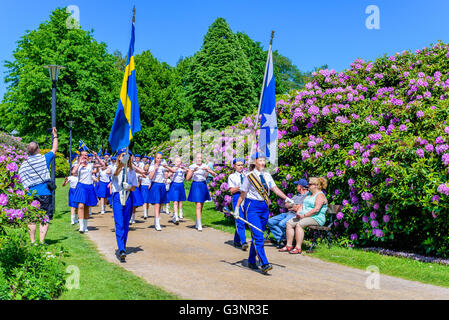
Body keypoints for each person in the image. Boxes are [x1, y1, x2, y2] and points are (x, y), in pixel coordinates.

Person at [233, 153, 294, 274]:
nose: (262, 163)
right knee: (259, 235)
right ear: (255, 162)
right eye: (260, 160)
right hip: (252, 207)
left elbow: (275, 189)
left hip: (264, 207)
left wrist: (286, 198)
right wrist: (237, 207)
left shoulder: (267, 175)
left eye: (263, 161)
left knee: (257, 235)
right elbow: (243, 193)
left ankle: (251, 260)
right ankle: (264, 263)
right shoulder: (249, 176)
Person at [18, 127, 58, 245]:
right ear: (38, 149)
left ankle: (32, 241)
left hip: (31, 193)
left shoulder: (24, 164)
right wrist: (54, 135)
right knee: (45, 217)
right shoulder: (43, 159)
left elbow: (21, 177)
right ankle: (41, 241)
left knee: (31, 218)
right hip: (45, 192)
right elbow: (54, 148)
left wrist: (27, 186)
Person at [280, 177, 328, 255]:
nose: (307, 186)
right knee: (289, 223)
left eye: (309, 184)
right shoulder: (309, 194)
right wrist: (298, 213)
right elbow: (302, 205)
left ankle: (298, 247)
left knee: (299, 224)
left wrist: (304, 215)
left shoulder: (320, 195)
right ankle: (289, 245)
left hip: (316, 217)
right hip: (304, 216)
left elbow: (316, 210)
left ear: (316, 185)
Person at [110, 149, 138, 262]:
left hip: (128, 196)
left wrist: (129, 186)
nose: (126, 157)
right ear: (119, 157)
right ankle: (121, 249)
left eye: (128, 156)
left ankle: (123, 247)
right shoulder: (115, 167)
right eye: (123, 155)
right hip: (117, 196)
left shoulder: (132, 171)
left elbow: (134, 187)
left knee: (126, 224)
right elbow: (115, 173)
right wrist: (122, 164)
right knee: (119, 223)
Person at [267, 179, 310, 248]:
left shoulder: (307, 196)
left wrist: (293, 206)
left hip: (296, 215)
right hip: (288, 213)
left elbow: (299, 208)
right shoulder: (296, 195)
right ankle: (282, 239)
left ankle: (284, 241)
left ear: (301, 187)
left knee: (282, 224)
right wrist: (293, 206)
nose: (296, 186)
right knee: (270, 221)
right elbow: (286, 204)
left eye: (297, 185)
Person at [71, 150, 105, 233]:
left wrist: (96, 156)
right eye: (82, 155)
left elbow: (103, 165)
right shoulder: (77, 165)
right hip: (81, 186)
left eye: (86, 155)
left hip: (89, 186)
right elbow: (73, 172)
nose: (84, 156)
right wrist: (80, 163)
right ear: (79, 157)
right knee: (81, 206)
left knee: (87, 206)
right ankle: (81, 226)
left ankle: (85, 226)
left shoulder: (90, 165)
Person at [186, 153, 218, 231]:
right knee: (198, 205)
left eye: (200, 158)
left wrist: (208, 170)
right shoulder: (192, 166)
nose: (199, 159)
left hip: (203, 185)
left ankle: (197, 221)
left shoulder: (205, 165)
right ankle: (199, 224)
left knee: (201, 205)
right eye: (198, 158)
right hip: (196, 185)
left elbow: (214, 174)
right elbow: (187, 179)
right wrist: (193, 171)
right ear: (195, 159)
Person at [227, 158, 248, 250]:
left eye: (242, 165)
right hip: (237, 197)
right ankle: (243, 242)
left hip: (246, 197)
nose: (240, 167)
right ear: (234, 166)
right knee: (240, 220)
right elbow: (231, 190)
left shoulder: (246, 175)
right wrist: (240, 187)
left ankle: (236, 240)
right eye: (238, 165)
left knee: (242, 219)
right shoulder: (232, 176)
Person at [148, 152, 168, 231]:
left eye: (160, 158)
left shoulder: (163, 166)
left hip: (162, 185)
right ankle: (157, 223)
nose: (159, 159)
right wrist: (154, 169)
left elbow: (169, 172)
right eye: (158, 158)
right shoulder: (152, 166)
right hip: (155, 185)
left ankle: (157, 220)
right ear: (155, 158)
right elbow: (150, 177)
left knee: (160, 204)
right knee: (157, 204)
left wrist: (166, 174)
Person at [165, 156, 187, 224]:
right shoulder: (173, 168)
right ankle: (176, 216)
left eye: (179, 161)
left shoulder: (182, 169)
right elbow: (168, 175)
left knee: (180, 200)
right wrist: (171, 172)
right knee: (175, 201)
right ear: (174, 162)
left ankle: (178, 213)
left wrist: (184, 168)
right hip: (174, 185)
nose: (178, 163)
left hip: (181, 185)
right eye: (177, 161)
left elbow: (188, 171)